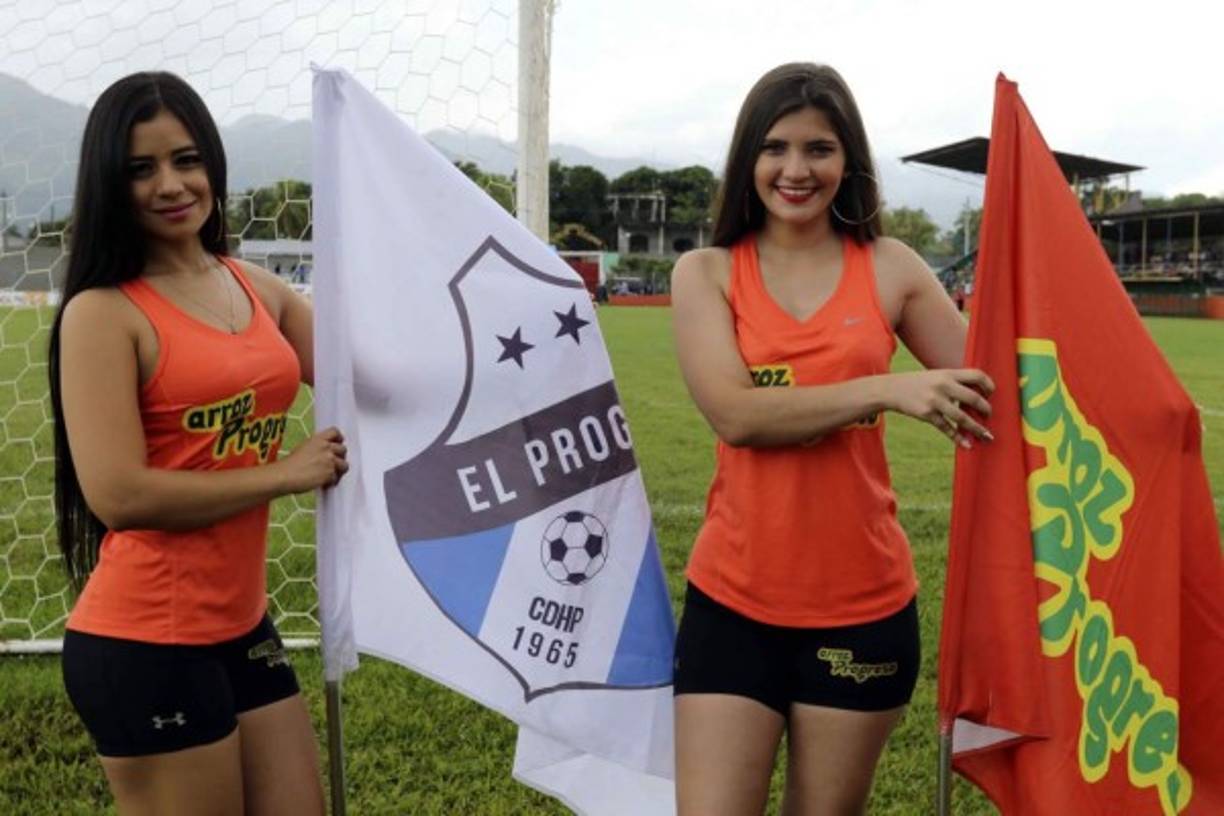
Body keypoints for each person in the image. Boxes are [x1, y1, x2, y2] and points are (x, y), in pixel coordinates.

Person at [669, 63, 995, 816]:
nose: (795, 169)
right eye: (775, 147)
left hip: (863, 609)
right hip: (734, 603)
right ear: (747, 158)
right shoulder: (706, 273)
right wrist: (886, 389)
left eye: (818, 148)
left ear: (848, 160)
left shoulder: (891, 269)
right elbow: (737, 416)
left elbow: (995, 399)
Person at [48, 72, 348, 816]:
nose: (171, 184)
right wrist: (282, 474)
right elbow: (119, 493)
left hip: (243, 623)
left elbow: (362, 376)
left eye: (186, 159)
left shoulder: (253, 286)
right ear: (108, 185)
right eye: (141, 169)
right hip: (145, 639)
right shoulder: (102, 312)